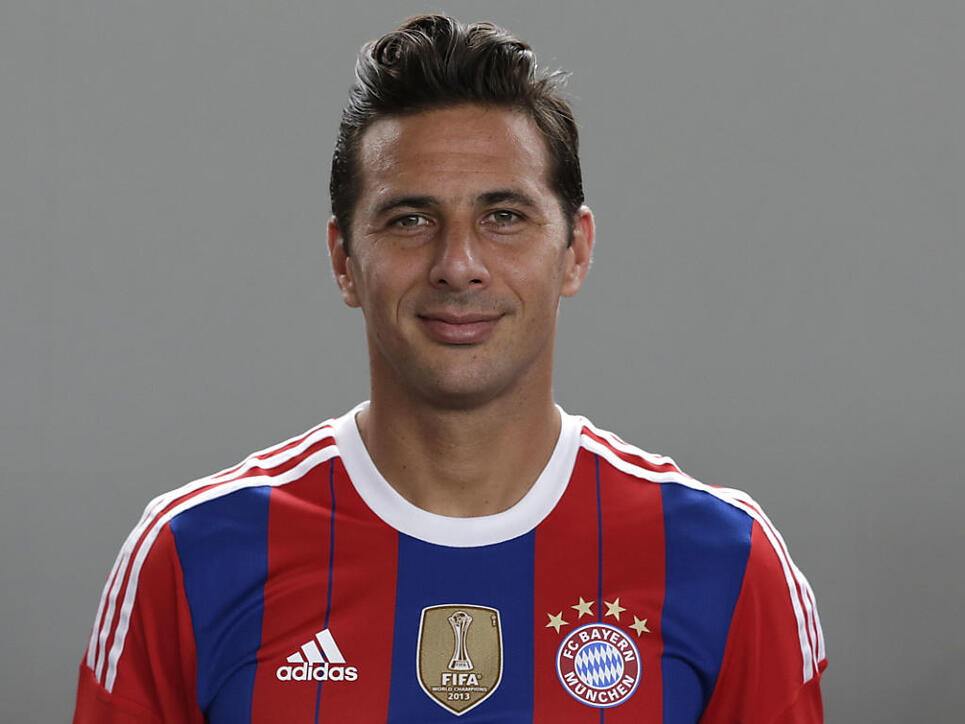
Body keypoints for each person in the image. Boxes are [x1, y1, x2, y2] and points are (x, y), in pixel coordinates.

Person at [74, 14, 826, 723]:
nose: (458, 264)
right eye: (410, 219)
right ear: (343, 260)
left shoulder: (725, 564)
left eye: (504, 217)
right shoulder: (192, 554)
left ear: (575, 251)